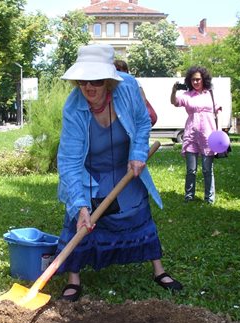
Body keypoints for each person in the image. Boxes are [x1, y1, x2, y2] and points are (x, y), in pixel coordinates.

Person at [56, 44, 182, 302]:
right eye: (83, 81)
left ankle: (158, 270)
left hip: (123, 166)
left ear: (110, 81)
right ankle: (73, 279)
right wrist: (80, 206)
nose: (89, 88)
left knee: (139, 213)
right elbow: (69, 162)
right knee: (79, 222)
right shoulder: (73, 108)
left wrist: (137, 153)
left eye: (97, 81)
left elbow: (143, 121)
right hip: (89, 172)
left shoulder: (127, 88)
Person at [171, 66, 220, 204]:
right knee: (191, 170)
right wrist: (174, 91)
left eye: (198, 79)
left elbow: (218, 112)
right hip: (191, 135)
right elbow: (174, 102)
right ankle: (189, 196)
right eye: (193, 80)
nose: (196, 82)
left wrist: (220, 130)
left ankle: (209, 198)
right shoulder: (187, 95)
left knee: (207, 169)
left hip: (208, 135)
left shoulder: (210, 94)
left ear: (203, 79)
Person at [114, 59, 157, 126]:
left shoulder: (133, 82)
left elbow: (143, 100)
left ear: (125, 70)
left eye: (118, 69)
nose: (116, 72)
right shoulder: (115, 83)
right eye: (115, 70)